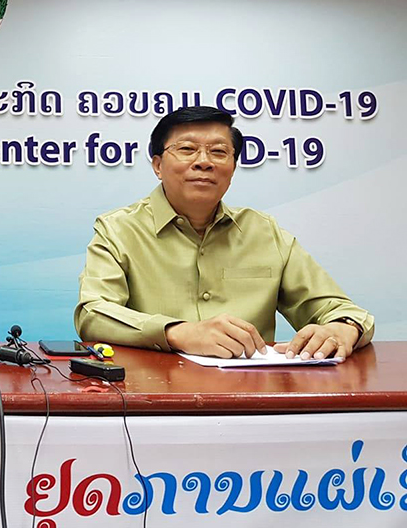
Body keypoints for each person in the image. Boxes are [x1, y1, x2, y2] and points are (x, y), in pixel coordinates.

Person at [74, 106, 373, 361]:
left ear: (232, 167)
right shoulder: (118, 229)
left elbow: (342, 310)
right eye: (187, 149)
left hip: (249, 394)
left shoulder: (263, 232)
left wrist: (342, 329)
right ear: (158, 165)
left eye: (218, 152)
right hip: (152, 392)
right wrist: (179, 333)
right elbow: (94, 314)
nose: (204, 161)